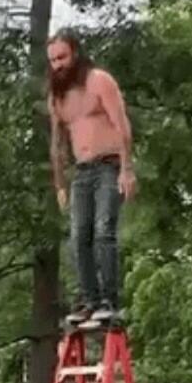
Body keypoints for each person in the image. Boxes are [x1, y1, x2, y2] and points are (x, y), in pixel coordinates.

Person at [46, 29, 136, 328]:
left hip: (109, 165)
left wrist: (127, 169)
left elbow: (122, 125)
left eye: (62, 57)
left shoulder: (99, 81)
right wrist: (59, 182)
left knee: (103, 231)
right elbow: (57, 141)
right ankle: (89, 299)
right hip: (82, 171)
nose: (57, 65)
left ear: (75, 53)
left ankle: (109, 300)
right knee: (78, 237)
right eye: (53, 60)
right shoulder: (58, 97)